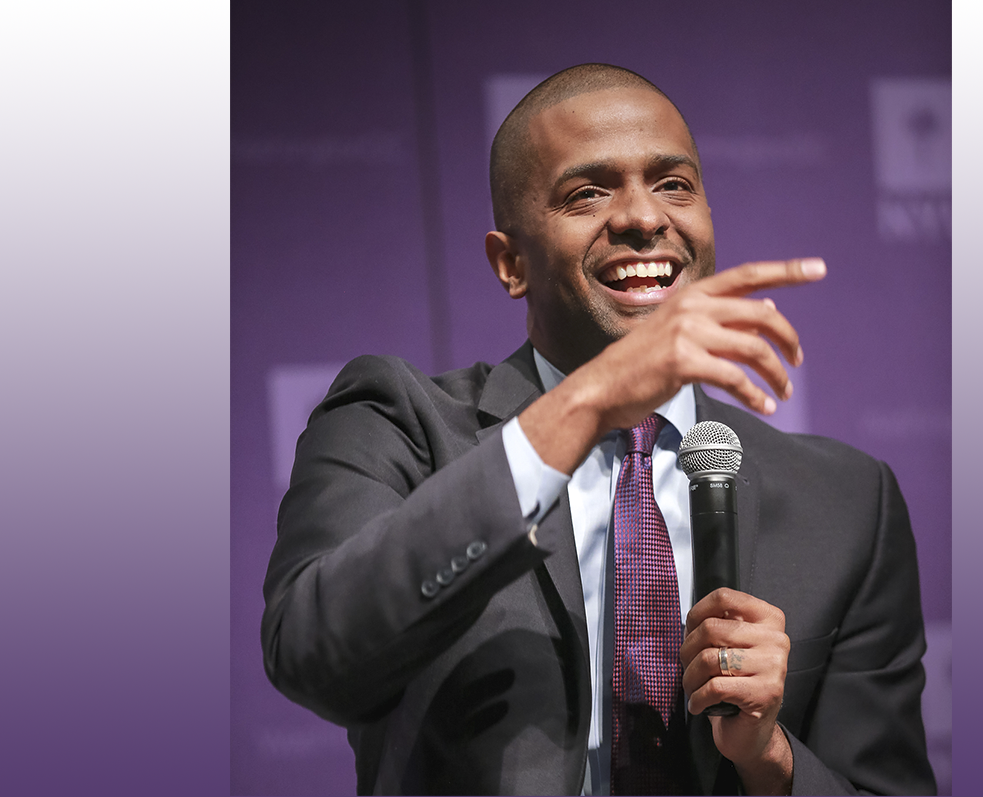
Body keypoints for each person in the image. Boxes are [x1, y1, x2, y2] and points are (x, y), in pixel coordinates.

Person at [262, 63, 935, 796]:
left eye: (674, 184)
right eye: (588, 192)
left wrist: (770, 755)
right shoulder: (397, 423)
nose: (645, 217)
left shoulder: (845, 501)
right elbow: (313, 653)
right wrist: (591, 401)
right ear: (510, 262)